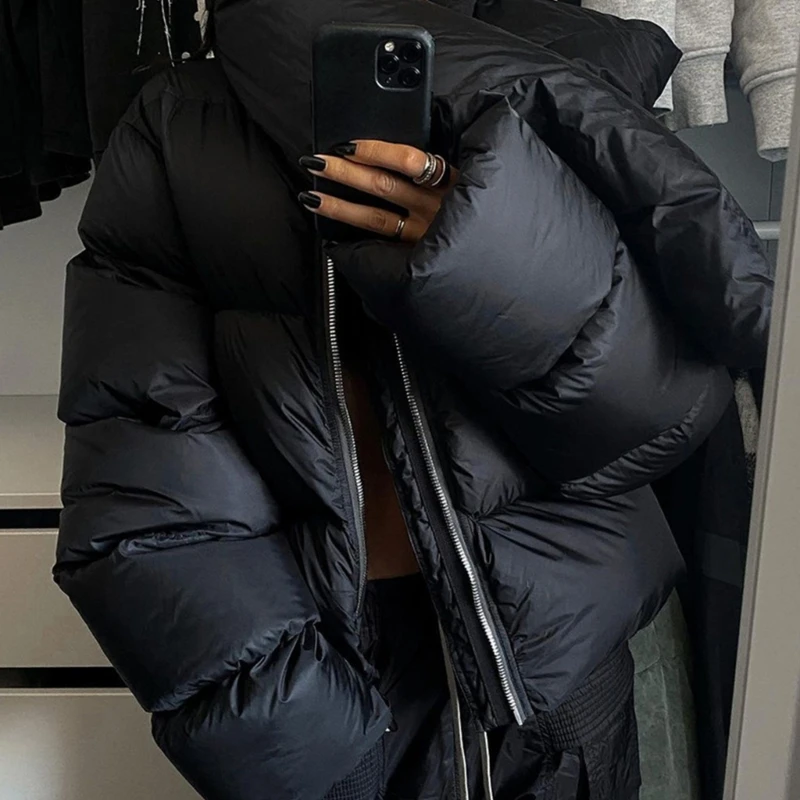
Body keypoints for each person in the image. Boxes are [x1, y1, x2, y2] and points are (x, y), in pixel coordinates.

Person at [53, 1, 772, 799]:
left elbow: (656, 421)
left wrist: (496, 248)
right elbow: (144, 472)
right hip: (313, 672)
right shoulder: (181, 122)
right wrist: (303, 738)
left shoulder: (581, 86)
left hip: (557, 677)